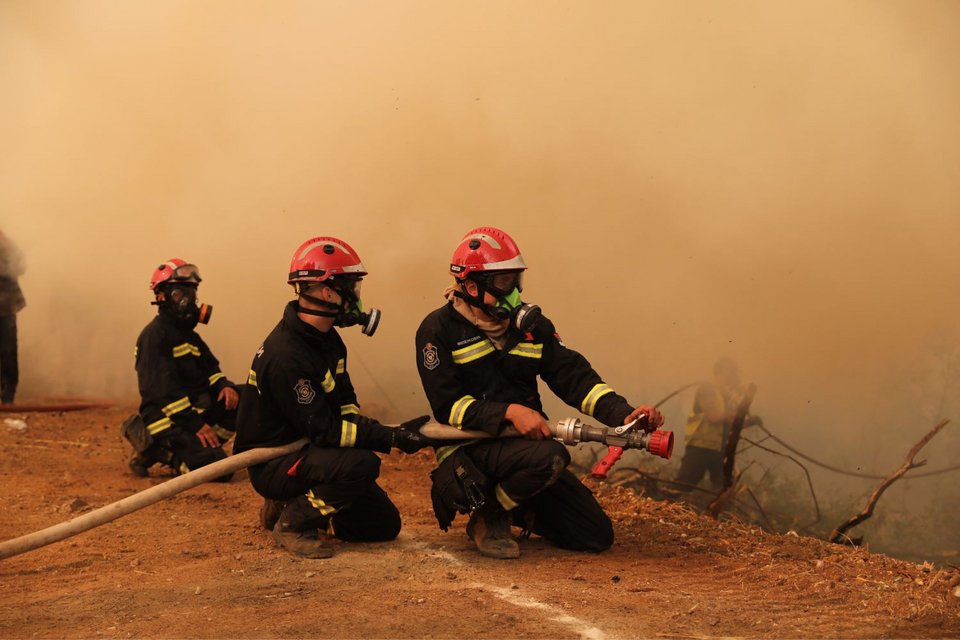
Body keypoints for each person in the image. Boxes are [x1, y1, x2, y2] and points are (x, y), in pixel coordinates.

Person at [415, 226, 664, 559]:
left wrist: (624, 414)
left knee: (594, 535)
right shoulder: (437, 331)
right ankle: (489, 517)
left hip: (523, 452)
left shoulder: (532, 328)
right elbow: (449, 407)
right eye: (503, 283)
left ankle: (514, 503)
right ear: (471, 287)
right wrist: (508, 412)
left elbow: (574, 378)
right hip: (470, 447)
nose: (514, 293)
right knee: (551, 457)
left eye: (516, 281)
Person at [233, 236, 434, 559]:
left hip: (312, 450)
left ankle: (294, 504)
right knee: (362, 464)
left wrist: (375, 430)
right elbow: (326, 430)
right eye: (351, 287)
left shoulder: (328, 339)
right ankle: (293, 523)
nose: (356, 298)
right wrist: (390, 436)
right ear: (328, 291)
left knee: (381, 526)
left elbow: (345, 404)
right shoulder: (287, 356)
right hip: (275, 462)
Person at [123, 259, 241, 480]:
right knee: (220, 472)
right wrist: (196, 425)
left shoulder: (190, 337)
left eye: (191, 294)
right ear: (161, 297)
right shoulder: (154, 336)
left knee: (246, 397)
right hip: (169, 420)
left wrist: (225, 386)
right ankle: (165, 453)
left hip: (194, 414)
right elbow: (162, 393)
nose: (188, 301)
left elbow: (211, 369)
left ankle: (200, 448)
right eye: (180, 294)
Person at [675, 357, 761, 491]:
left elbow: (730, 424)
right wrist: (734, 414)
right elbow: (713, 416)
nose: (733, 376)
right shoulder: (707, 390)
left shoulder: (724, 396)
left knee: (723, 489)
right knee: (682, 486)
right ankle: (661, 508)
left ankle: (717, 512)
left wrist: (750, 422)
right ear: (721, 371)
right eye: (731, 372)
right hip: (700, 449)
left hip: (718, 451)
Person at [0, 230, 26, 405]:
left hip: (6, 306)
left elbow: (20, 267)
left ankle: (8, 394)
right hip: (7, 305)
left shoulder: (8, 247)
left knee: (8, 351)